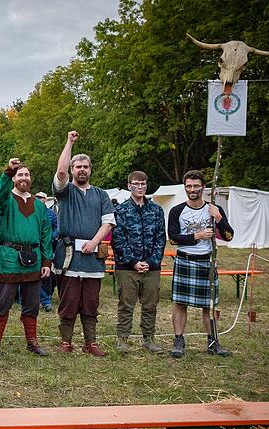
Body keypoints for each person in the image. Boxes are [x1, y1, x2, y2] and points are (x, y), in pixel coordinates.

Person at [52, 131, 115, 357]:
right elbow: (60, 172)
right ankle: (66, 342)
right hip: (68, 254)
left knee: (90, 301)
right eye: (77, 166)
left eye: (85, 167)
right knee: (68, 301)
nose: (81, 170)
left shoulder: (101, 195)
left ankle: (91, 342)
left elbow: (108, 222)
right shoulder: (65, 192)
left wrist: (94, 242)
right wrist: (69, 141)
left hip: (92, 256)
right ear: (72, 170)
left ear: (90, 170)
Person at [0, 160, 53, 357]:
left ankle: (32, 342)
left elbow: (46, 234)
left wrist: (47, 261)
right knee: (2, 303)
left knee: (32, 304)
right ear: (14, 178)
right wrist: (8, 171)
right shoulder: (5, 200)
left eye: (27, 175)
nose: (24, 178)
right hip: (9, 258)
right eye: (20, 175)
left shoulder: (39, 206)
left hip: (33, 258)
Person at [168, 170, 234, 358]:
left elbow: (229, 236)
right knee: (180, 304)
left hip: (207, 261)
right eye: (189, 186)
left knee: (209, 305)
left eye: (196, 186)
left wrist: (219, 218)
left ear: (203, 187)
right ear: (185, 188)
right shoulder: (177, 211)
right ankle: (178, 341)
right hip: (185, 260)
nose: (192, 189)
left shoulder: (214, 210)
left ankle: (213, 342)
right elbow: (172, 239)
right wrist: (197, 236)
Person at [111, 171, 166, 354]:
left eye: (143, 184)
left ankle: (148, 339)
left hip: (152, 267)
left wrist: (151, 261)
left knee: (150, 305)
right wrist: (133, 261)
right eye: (136, 184)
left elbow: (160, 239)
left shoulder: (156, 210)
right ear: (129, 186)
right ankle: (123, 339)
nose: (140, 187)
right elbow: (118, 239)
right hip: (128, 267)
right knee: (126, 304)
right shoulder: (120, 210)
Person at [36, 191, 59, 312]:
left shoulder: (51, 213)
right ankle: (44, 300)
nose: (39, 199)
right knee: (35, 274)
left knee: (48, 274)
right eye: (37, 197)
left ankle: (46, 298)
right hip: (34, 248)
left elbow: (57, 227)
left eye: (41, 197)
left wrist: (52, 237)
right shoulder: (32, 212)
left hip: (48, 248)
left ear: (45, 200)